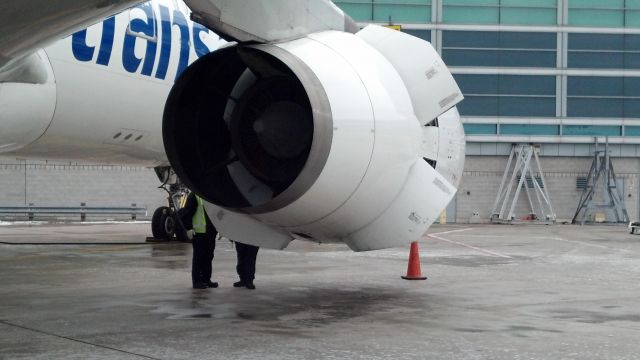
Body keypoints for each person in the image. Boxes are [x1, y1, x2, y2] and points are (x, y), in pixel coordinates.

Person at [180, 192, 218, 289]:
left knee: (209, 256)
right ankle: (196, 281)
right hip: (199, 233)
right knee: (198, 257)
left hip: (210, 232)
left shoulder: (211, 195)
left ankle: (206, 279)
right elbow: (187, 212)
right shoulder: (194, 196)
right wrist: (188, 228)